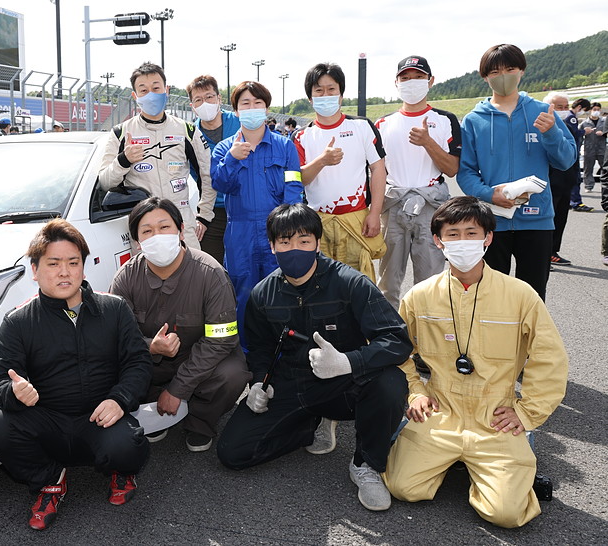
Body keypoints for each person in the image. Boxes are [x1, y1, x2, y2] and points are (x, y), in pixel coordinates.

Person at [384, 196, 568, 528]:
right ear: (438, 241)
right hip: (441, 410)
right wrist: (415, 393)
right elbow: (397, 352)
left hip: (495, 417)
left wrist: (528, 412)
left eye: (472, 233)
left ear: (488, 238)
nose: (463, 241)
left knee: (507, 514)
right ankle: (464, 461)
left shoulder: (520, 295)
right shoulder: (419, 296)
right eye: (452, 234)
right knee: (403, 488)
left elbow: (549, 358)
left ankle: (508, 455)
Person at [217, 203, 411, 512]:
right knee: (233, 452)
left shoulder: (350, 283)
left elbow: (397, 339)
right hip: (291, 385)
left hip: (343, 384)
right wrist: (259, 383)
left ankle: (366, 463)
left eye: (304, 241)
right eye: (285, 242)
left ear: (318, 243)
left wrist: (349, 362)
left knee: (390, 382)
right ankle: (307, 424)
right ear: (272, 246)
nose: (294, 249)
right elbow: (261, 348)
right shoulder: (262, 294)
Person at [0, 219, 151, 531]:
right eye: (54, 263)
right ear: (35, 270)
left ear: (83, 268)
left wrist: (119, 400)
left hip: (100, 418)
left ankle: (121, 470)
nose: (65, 272)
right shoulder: (18, 322)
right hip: (48, 420)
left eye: (73, 263)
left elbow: (139, 363)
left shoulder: (114, 309)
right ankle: (50, 480)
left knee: (128, 447)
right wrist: (15, 393)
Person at [109, 198, 250, 452]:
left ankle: (199, 422)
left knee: (233, 373)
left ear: (181, 230)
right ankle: (154, 409)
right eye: (147, 231)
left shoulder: (211, 274)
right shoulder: (125, 278)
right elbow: (117, 338)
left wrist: (178, 388)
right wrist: (150, 346)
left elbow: (221, 340)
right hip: (150, 363)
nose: (157, 236)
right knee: (108, 365)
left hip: (201, 361)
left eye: (164, 227)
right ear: (137, 241)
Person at [457, 44, 576, 300]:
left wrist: (552, 133)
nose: (503, 76)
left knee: (533, 297)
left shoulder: (542, 112)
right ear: (485, 77)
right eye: (495, 71)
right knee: (490, 296)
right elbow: (465, 172)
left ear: (522, 71)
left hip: (537, 219)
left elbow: (566, 161)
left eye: (510, 69)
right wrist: (489, 194)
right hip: (491, 221)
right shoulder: (474, 120)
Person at [211, 80, 304, 346]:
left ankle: (283, 350)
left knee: (283, 289)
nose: (252, 108)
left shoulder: (284, 146)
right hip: (240, 233)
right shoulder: (224, 149)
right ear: (236, 111)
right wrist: (232, 158)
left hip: (278, 231)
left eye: (258, 103)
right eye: (245, 104)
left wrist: (286, 227)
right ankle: (246, 352)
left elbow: (294, 185)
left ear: (266, 109)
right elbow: (220, 184)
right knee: (243, 293)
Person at [98, 62, 216, 250]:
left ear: (166, 90)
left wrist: (204, 216)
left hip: (182, 225)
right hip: (145, 228)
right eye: (143, 90)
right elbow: (105, 183)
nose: (151, 94)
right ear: (135, 96)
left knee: (192, 269)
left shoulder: (187, 130)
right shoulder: (120, 133)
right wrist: (123, 160)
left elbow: (207, 175)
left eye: (156, 88)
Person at [375, 56, 460, 308]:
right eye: (405, 78)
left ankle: (426, 328)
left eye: (418, 77)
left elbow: (452, 168)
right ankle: (389, 328)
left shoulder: (445, 120)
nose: (411, 82)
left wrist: (428, 142)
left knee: (430, 279)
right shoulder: (383, 124)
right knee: (388, 281)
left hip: (431, 206)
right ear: (396, 83)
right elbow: (377, 173)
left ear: (430, 81)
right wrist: (373, 212)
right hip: (393, 205)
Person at [292, 63, 386, 279]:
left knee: (359, 283)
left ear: (341, 95)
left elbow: (378, 169)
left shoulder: (362, 126)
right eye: (319, 90)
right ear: (310, 98)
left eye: (331, 89)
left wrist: (375, 213)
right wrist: (322, 161)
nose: (325, 95)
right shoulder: (301, 136)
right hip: (318, 222)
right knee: (321, 284)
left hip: (357, 219)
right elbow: (299, 179)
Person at [186, 74, 241, 265]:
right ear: (192, 106)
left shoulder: (239, 122)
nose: (205, 103)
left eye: (209, 97)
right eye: (198, 100)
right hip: (213, 213)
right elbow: (196, 175)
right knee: (212, 267)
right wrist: (203, 215)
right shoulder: (191, 135)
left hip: (244, 206)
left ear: (219, 98)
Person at [542, 92, 584, 266]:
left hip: (566, 181)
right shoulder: (542, 125)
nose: (564, 110)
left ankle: (553, 252)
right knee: (547, 222)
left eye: (566, 106)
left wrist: (575, 178)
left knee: (561, 219)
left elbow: (573, 153)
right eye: (559, 107)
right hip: (549, 182)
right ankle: (543, 255)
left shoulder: (569, 125)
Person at [569, 98, 594, 212]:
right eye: (584, 110)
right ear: (579, 107)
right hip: (572, 152)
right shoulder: (571, 118)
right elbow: (573, 133)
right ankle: (576, 202)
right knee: (575, 178)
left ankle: (570, 200)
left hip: (570, 152)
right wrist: (585, 131)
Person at [581, 101, 606, 193]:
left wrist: (603, 133)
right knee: (588, 168)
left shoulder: (604, 122)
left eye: (598, 110)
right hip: (589, 148)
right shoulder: (584, 123)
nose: (596, 111)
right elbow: (578, 134)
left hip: (602, 148)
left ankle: (605, 185)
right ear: (590, 110)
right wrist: (584, 132)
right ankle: (588, 186)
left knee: (605, 167)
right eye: (594, 109)